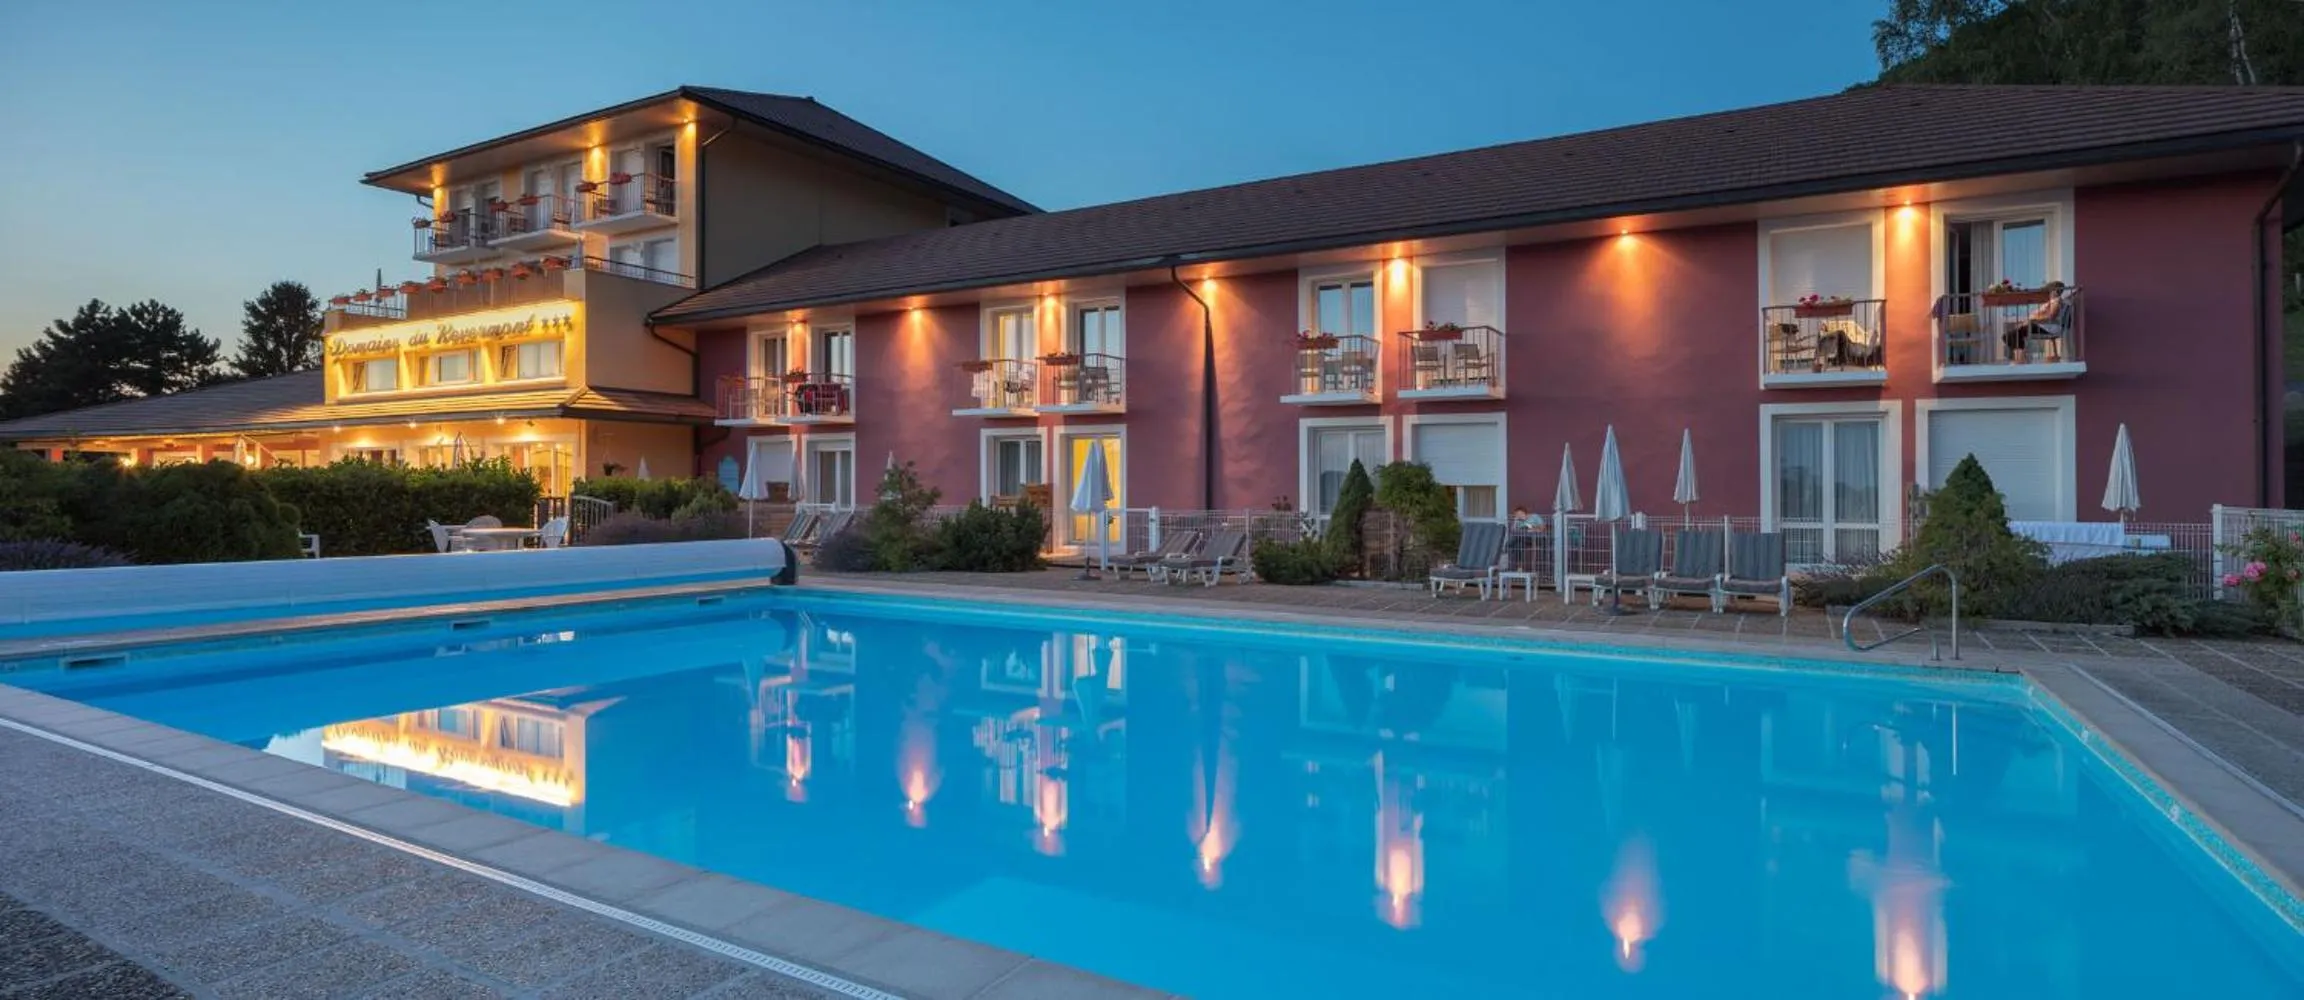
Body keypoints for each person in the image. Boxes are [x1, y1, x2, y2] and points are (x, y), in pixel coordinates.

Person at [2002, 280, 2068, 363]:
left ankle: (2020, 359)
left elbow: (2051, 316)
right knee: (2007, 336)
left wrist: (2033, 320)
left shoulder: (2056, 301)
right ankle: (2021, 357)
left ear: (2054, 291)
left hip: (2047, 327)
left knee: (2015, 334)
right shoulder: (2051, 301)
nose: (2046, 293)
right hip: (2041, 325)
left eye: (2048, 290)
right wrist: (2027, 322)